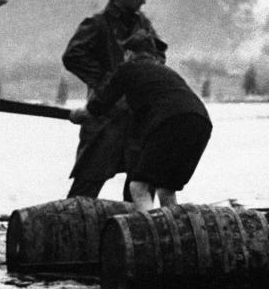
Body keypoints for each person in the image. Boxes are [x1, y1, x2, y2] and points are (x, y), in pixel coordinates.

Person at [69, 30, 212, 212]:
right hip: (201, 123)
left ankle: (150, 235)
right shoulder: (166, 72)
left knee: (139, 187)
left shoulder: (128, 68)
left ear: (129, 53)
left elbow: (101, 104)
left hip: (170, 122)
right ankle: (175, 231)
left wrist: (81, 113)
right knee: (166, 188)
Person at [62, 0, 167, 199]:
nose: (143, 2)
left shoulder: (143, 24)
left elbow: (159, 54)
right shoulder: (97, 23)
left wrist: (147, 76)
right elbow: (72, 56)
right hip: (105, 116)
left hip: (137, 116)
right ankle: (73, 227)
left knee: (140, 182)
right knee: (87, 182)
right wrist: (106, 82)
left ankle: (133, 231)